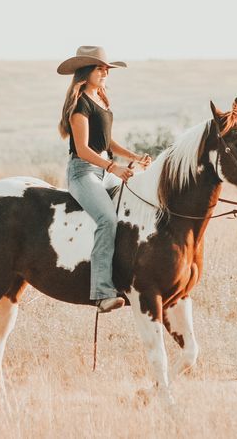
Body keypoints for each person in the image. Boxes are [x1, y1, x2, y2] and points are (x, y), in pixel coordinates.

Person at [57, 46, 151, 313]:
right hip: (83, 172)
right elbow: (84, 149)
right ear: (86, 73)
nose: (106, 72)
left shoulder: (101, 101)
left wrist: (133, 156)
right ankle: (101, 291)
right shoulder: (80, 107)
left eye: (107, 68)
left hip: (103, 171)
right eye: (100, 68)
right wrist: (114, 168)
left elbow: (107, 142)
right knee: (107, 219)